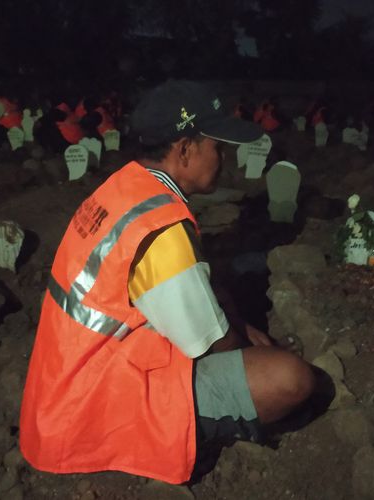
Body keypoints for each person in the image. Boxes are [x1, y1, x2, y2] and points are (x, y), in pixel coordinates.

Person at [19, 81, 326, 485]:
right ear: (184, 149)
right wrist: (244, 339)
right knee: (291, 379)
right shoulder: (163, 230)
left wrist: (234, 321)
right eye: (217, 147)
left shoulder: (127, 186)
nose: (224, 158)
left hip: (60, 386)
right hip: (87, 407)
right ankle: (205, 435)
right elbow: (214, 343)